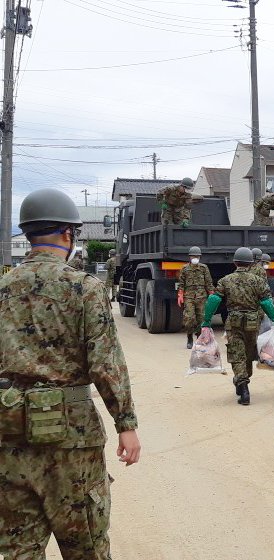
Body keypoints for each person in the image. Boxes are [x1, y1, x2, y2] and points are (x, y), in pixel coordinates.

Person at [0, 188, 141, 559]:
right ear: (68, 233)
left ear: (28, 234)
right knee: (86, 545)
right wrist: (125, 424)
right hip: (72, 436)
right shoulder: (84, 288)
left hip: (8, 432)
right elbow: (105, 362)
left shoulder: (2, 289)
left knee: (18, 547)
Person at [202, 247, 274, 405]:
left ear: (234, 262)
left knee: (236, 354)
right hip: (253, 322)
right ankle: (244, 380)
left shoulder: (226, 280)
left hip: (234, 322)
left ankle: (243, 386)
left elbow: (214, 300)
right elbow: (266, 302)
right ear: (251, 262)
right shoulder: (258, 280)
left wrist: (206, 320)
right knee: (248, 353)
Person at [178, 246, 214, 349]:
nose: (195, 258)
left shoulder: (204, 268)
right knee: (189, 318)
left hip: (202, 297)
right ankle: (189, 337)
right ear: (190, 257)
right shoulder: (185, 268)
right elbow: (181, 283)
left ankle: (199, 338)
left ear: (199, 257)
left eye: (197, 256)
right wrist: (180, 294)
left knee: (201, 319)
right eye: (193, 256)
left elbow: (209, 282)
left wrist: (211, 294)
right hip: (189, 297)